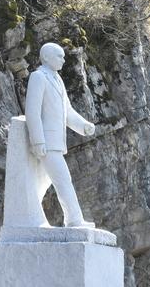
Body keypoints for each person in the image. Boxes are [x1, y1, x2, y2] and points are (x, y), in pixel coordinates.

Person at [24, 42, 96, 227]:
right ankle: (73, 219)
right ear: (46, 57)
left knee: (42, 184)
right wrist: (38, 141)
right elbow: (32, 112)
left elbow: (68, 111)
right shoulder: (38, 77)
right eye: (59, 56)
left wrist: (83, 126)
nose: (64, 60)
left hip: (56, 142)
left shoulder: (58, 80)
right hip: (46, 143)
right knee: (63, 179)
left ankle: (29, 215)